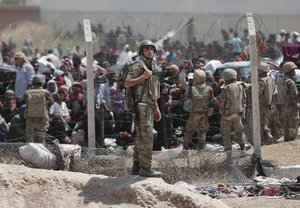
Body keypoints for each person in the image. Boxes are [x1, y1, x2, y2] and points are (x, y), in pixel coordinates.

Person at [124, 40, 162, 177]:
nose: (150, 51)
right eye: (146, 49)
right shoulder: (139, 65)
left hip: (148, 106)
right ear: (142, 51)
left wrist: (156, 107)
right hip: (141, 107)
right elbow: (127, 83)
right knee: (146, 138)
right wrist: (143, 76)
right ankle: (146, 169)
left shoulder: (151, 65)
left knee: (140, 137)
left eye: (152, 49)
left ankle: (136, 166)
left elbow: (151, 90)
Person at [183, 70, 214, 151]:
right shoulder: (209, 88)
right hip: (205, 113)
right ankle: (201, 149)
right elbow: (212, 100)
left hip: (194, 114)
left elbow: (186, 97)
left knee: (189, 131)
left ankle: (185, 149)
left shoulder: (192, 89)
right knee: (202, 132)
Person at [217, 68, 246, 154]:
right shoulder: (240, 86)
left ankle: (229, 153)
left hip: (227, 115)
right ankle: (242, 149)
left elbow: (222, 104)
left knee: (226, 134)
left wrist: (216, 102)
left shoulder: (225, 88)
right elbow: (244, 100)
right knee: (239, 132)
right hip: (238, 113)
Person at [19, 74, 54, 144]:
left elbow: (20, 99)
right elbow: (52, 102)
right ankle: (41, 152)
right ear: (42, 82)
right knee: (41, 136)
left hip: (30, 117)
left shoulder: (28, 92)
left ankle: (30, 152)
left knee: (30, 137)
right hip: (42, 117)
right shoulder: (45, 92)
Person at [280, 62, 299, 141]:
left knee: (286, 122)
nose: (294, 72)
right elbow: (294, 95)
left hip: (284, 105)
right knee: (293, 122)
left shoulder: (283, 80)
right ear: (289, 71)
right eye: (293, 70)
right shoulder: (290, 82)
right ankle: (291, 139)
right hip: (292, 105)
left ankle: (286, 138)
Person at [258, 62, 276, 145]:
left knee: (259, 123)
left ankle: (262, 140)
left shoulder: (261, 81)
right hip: (269, 104)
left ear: (261, 71)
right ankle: (269, 137)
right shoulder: (270, 79)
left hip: (261, 105)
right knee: (265, 122)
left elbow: (259, 93)